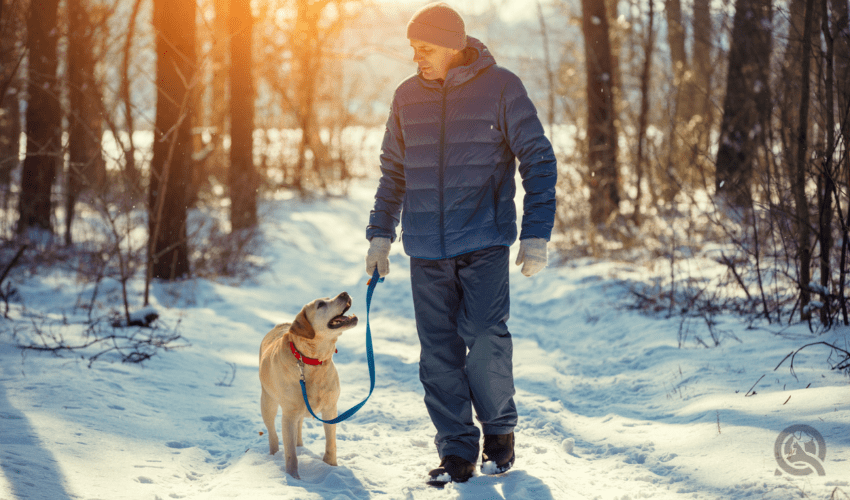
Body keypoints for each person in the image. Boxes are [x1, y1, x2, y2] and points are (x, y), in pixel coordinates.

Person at [365, 1, 557, 485]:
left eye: (425, 48)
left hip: (484, 242)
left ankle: (498, 431)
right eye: (412, 49)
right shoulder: (407, 96)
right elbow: (393, 173)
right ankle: (455, 449)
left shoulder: (502, 88)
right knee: (438, 354)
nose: (417, 58)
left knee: (487, 338)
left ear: (453, 45)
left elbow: (538, 159)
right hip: (426, 249)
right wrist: (380, 236)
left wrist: (536, 233)